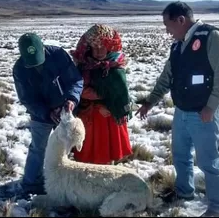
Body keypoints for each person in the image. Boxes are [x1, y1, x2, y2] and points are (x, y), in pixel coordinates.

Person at [135, 2, 219, 217]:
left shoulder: (211, 37)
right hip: (181, 112)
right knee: (180, 157)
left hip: (203, 114)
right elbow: (166, 77)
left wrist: (211, 106)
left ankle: (218, 207)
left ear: (181, 20)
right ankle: (184, 192)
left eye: (168, 25)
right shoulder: (177, 46)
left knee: (209, 163)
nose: (167, 31)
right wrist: (150, 101)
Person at [12, 32, 84, 196]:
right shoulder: (19, 69)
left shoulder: (58, 55)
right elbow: (27, 99)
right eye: (31, 63)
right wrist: (46, 112)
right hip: (41, 114)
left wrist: (71, 100)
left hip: (66, 110)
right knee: (38, 147)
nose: (36, 66)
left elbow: (76, 80)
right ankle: (31, 185)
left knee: (66, 146)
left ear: (43, 48)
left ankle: (61, 179)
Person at [70, 24, 133, 165]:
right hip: (87, 114)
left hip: (108, 115)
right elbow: (76, 86)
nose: (99, 51)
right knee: (85, 155)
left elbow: (120, 93)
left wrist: (107, 104)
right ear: (89, 47)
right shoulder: (82, 65)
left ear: (110, 46)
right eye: (95, 47)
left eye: (103, 47)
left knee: (104, 153)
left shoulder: (115, 66)